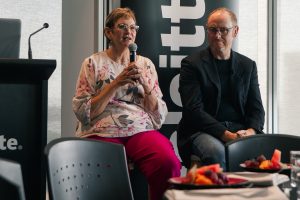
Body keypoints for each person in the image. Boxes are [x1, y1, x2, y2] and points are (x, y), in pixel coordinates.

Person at [72, 7, 181, 200]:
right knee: (109, 170)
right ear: (109, 32)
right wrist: (115, 84)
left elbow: (159, 116)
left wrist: (145, 85)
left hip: (139, 128)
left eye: (133, 27)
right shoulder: (92, 63)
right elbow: (83, 112)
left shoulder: (145, 65)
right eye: (122, 27)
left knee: (167, 162)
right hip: (102, 129)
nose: (129, 32)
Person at [177, 7, 265, 170]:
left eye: (223, 30)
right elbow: (194, 111)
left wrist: (251, 132)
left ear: (235, 31)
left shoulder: (247, 65)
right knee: (216, 153)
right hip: (201, 131)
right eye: (212, 30)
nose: (217, 35)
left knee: (265, 153)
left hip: (240, 130)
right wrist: (229, 136)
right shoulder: (191, 64)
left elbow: (257, 109)